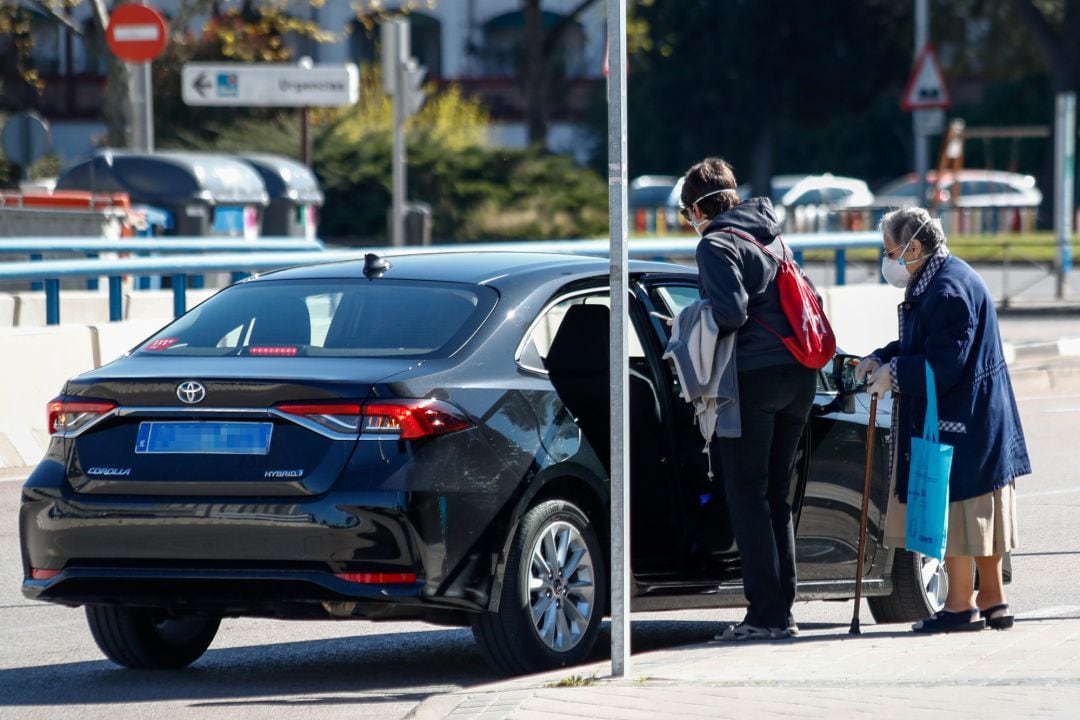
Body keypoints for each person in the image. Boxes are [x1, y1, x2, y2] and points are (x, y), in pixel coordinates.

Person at [855, 205, 1030, 633]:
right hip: (975, 418)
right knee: (980, 512)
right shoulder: (942, 278)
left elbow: (944, 363)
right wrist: (883, 356)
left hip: (964, 421)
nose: (887, 260)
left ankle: (959, 607)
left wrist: (894, 375)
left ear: (913, 247)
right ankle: (993, 600)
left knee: (956, 510)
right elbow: (921, 342)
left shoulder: (948, 290)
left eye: (890, 250)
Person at [680, 157, 819, 641]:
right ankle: (784, 610)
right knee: (775, 494)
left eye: (685, 214)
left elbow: (732, 313)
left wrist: (690, 321)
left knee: (746, 494)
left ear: (699, 208)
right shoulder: (771, 234)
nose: (689, 224)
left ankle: (764, 615)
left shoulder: (715, 244)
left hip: (754, 381)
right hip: (799, 376)